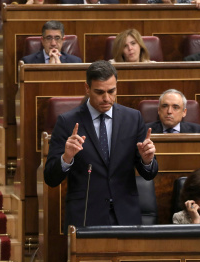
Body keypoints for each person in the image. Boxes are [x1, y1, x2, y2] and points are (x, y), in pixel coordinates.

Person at [44, 60, 158, 231]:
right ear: (87, 88)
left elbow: (149, 174)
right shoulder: (67, 122)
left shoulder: (133, 119)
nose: (106, 98)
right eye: (99, 92)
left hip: (125, 216)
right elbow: (50, 178)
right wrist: (66, 158)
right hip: (85, 216)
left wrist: (147, 161)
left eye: (111, 91)